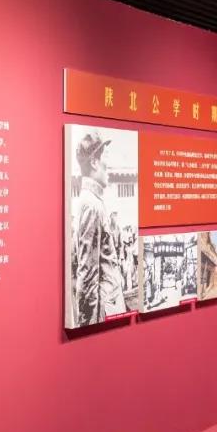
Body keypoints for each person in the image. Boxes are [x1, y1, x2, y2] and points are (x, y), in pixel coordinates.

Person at [73, 130, 127, 326]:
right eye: (105, 156)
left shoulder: (94, 202)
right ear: (94, 162)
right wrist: (89, 328)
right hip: (105, 313)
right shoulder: (91, 205)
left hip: (110, 306)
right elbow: (87, 276)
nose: (108, 164)